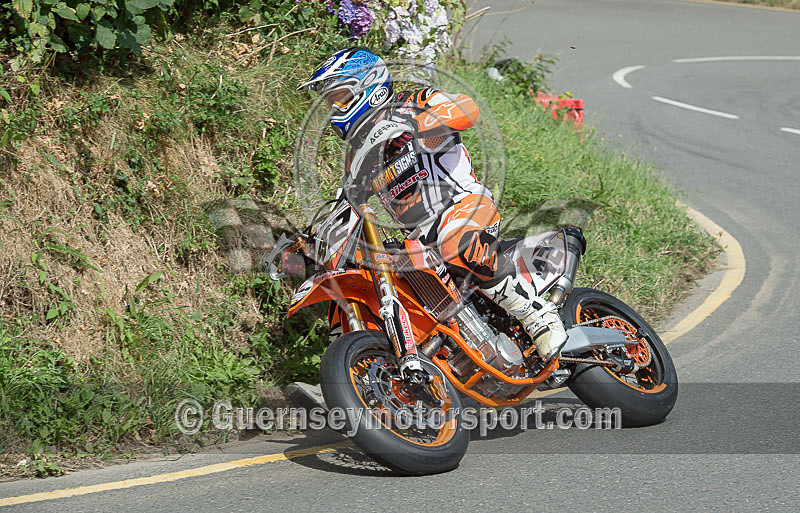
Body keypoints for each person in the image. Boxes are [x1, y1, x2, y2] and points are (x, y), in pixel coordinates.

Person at [297, 47, 567, 362]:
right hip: (421, 239)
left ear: (368, 86)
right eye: (330, 102)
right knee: (365, 272)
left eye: (339, 98)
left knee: (454, 241)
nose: (333, 110)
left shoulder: (414, 103)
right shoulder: (357, 156)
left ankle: (536, 314)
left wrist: (420, 125)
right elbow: (348, 202)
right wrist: (314, 239)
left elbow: (467, 109)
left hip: (464, 206)